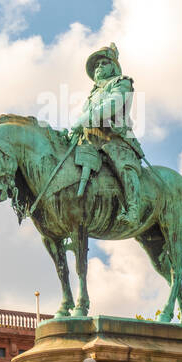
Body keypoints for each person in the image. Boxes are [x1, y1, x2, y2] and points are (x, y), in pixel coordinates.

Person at [66, 43, 144, 228]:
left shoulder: (122, 83)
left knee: (123, 165)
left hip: (115, 139)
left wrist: (83, 119)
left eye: (103, 63)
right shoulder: (92, 95)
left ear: (113, 67)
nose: (98, 67)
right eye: (96, 65)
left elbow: (112, 106)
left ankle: (133, 210)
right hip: (91, 141)